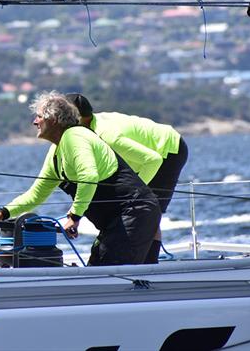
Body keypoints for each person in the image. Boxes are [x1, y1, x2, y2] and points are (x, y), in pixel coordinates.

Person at [0, 91, 160, 266]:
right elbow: (35, 195)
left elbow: (89, 176)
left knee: (106, 273)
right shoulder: (56, 152)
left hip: (135, 212)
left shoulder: (75, 136)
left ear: (53, 119)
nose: (34, 122)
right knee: (98, 268)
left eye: (38, 117)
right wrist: (2, 213)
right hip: (116, 220)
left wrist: (74, 216)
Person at [67, 93, 188, 264]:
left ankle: (149, 266)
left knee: (149, 209)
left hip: (168, 150)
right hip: (145, 156)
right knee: (135, 209)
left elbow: (153, 160)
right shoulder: (85, 131)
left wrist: (137, 194)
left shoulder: (107, 136)